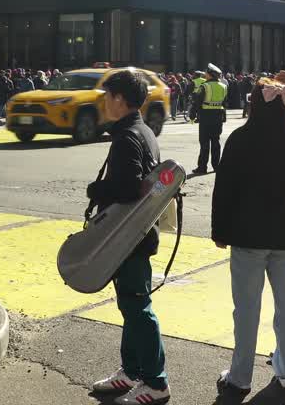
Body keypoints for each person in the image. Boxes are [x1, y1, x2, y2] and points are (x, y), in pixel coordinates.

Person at [212, 77, 285, 395]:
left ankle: (240, 376)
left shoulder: (241, 138)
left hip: (248, 234)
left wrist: (220, 230)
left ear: (253, 103)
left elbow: (224, 189)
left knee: (246, 309)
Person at [86, 70, 170, 405]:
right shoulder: (143, 131)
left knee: (138, 308)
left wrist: (97, 189)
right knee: (131, 306)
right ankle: (132, 371)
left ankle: (157, 383)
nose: (104, 101)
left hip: (128, 238)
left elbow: (130, 187)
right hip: (137, 235)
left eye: (107, 96)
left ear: (120, 99)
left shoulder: (127, 137)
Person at [192, 64, 228, 175]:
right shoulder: (224, 86)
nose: (205, 74)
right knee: (216, 142)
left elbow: (197, 102)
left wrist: (193, 115)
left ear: (210, 74)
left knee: (204, 143)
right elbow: (224, 103)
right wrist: (224, 116)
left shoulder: (205, 86)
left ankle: (202, 167)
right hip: (218, 116)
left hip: (205, 116)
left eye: (206, 73)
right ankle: (216, 166)